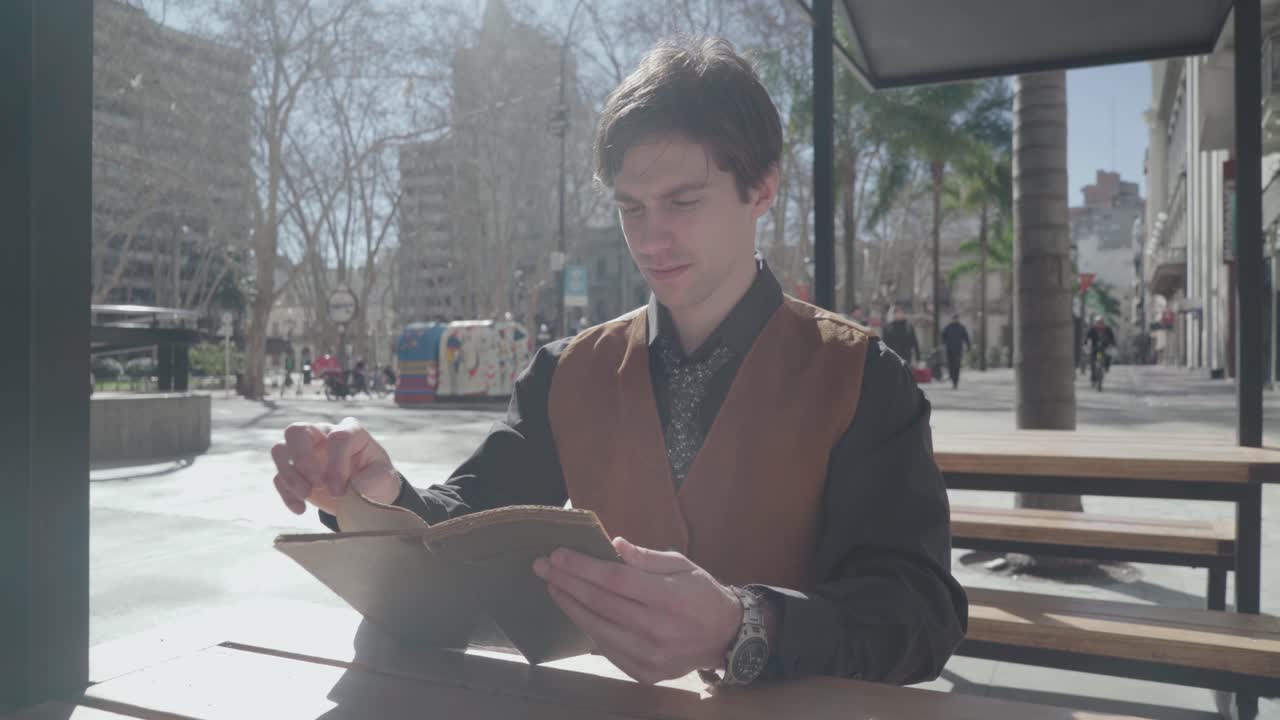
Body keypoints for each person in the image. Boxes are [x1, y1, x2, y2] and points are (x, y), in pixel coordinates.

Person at [269, 37, 964, 689]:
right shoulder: (565, 372)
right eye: (631, 209)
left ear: (762, 189)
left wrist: (744, 625)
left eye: (682, 202)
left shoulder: (862, 376)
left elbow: (921, 613)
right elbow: (465, 526)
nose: (651, 239)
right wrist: (378, 492)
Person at [941, 315, 971, 389]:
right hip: (949, 350)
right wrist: (944, 343)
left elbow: (966, 337)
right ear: (952, 319)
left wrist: (968, 346)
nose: (955, 320)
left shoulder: (961, 328)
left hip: (958, 350)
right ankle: (952, 378)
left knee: (957, 366)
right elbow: (943, 336)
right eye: (954, 319)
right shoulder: (948, 327)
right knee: (950, 366)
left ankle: (955, 382)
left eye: (956, 319)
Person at [1084, 315, 1117, 380]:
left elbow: (1112, 338)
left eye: (1101, 322)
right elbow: (1087, 337)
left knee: (1108, 355)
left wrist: (1113, 344)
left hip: (1104, 347)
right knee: (1092, 360)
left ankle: (1106, 367)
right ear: (1096, 323)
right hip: (1095, 347)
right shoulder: (1092, 329)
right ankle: (1093, 376)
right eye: (1098, 322)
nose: (1100, 324)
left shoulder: (1107, 329)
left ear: (1103, 323)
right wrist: (1085, 344)